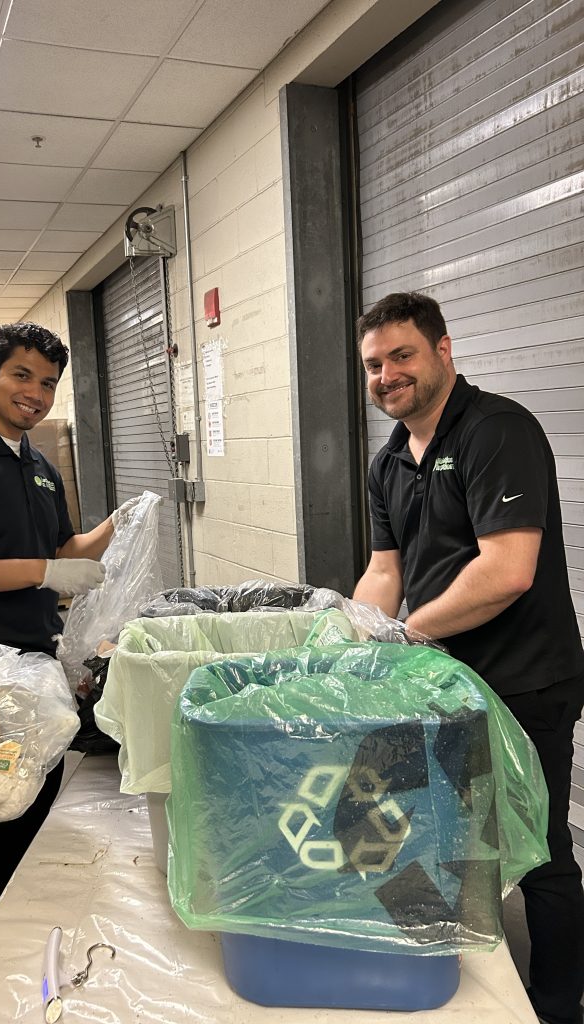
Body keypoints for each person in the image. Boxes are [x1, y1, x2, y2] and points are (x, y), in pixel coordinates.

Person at [353, 291, 584, 1024]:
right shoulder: (388, 462)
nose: (387, 374)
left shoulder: (498, 432)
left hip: (525, 684)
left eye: (401, 355)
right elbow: (383, 569)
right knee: (368, 822)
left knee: (537, 853)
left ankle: (556, 1007)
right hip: (439, 685)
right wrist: (356, 636)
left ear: (443, 351)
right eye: (373, 364)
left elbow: (508, 569)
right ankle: (443, 975)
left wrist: (410, 632)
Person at [0, 321, 132, 952]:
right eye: (21, 376)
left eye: (47, 384)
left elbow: (61, 548)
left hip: (33, 669)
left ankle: (14, 956)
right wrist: (45, 571)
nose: (35, 394)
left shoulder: (38, 464)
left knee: (30, 809)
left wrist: (117, 527)